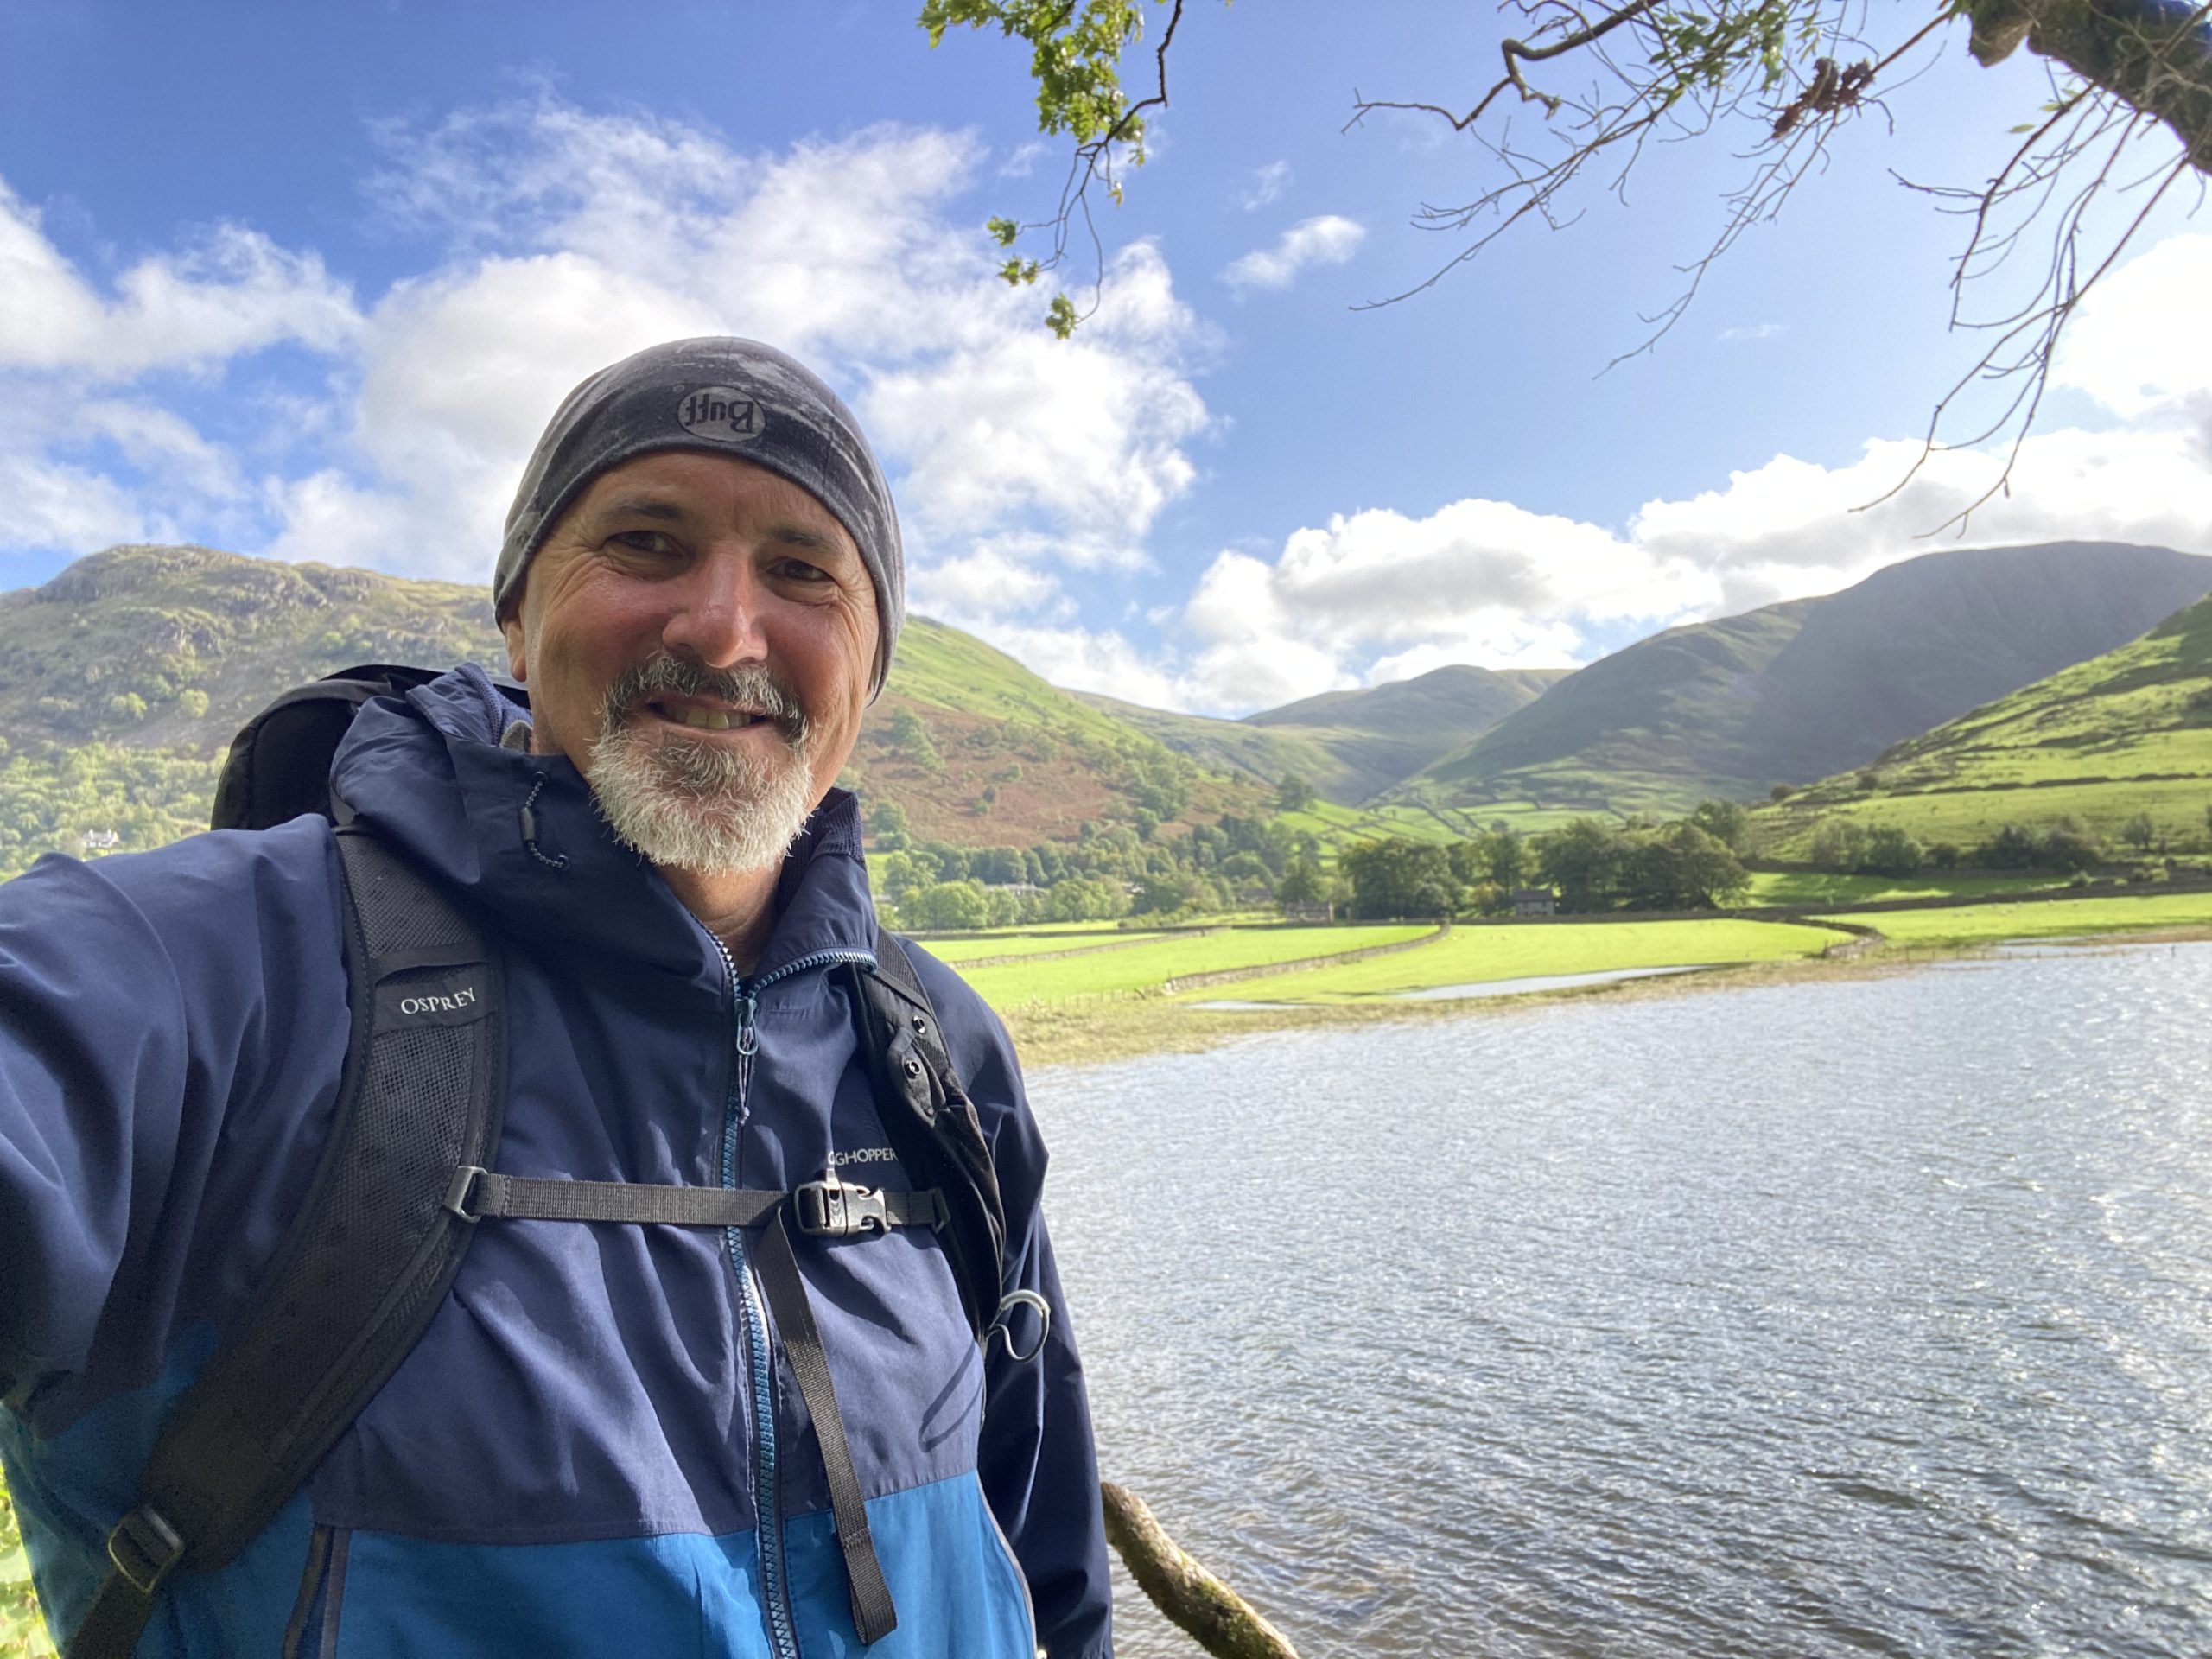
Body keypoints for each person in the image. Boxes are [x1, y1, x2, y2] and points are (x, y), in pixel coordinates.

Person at [0, 338, 1114, 1657]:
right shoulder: (203, 967)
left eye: (805, 571)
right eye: (645, 543)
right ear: (516, 619)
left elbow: (1043, 1547)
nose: (720, 626)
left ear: (869, 671)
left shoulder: (935, 1045)